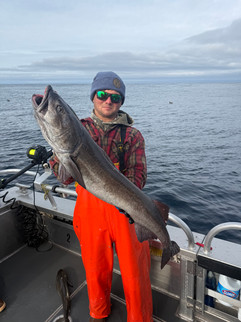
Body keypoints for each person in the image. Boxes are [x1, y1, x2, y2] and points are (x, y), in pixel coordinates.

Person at [50, 71, 153, 322]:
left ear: (121, 102)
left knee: (134, 273)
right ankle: (98, 313)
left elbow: (138, 176)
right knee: (95, 269)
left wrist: (118, 192)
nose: (108, 101)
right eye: (102, 94)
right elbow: (64, 177)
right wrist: (59, 160)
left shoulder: (132, 135)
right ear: (93, 97)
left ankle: (140, 318)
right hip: (90, 210)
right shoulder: (76, 128)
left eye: (115, 97)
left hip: (125, 211)